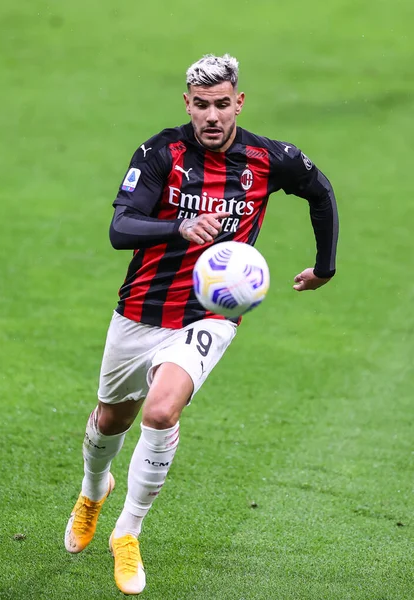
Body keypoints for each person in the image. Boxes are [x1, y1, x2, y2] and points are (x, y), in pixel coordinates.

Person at [64, 53, 339, 595]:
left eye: (222, 104)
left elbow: (320, 190)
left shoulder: (268, 158)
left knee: (162, 410)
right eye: (201, 105)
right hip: (141, 310)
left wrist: (325, 267)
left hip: (211, 313)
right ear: (187, 103)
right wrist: (178, 227)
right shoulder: (160, 152)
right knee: (109, 421)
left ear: (238, 102)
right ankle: (93, 492)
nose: (211, 116)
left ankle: (128, 533)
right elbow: (121, 228)